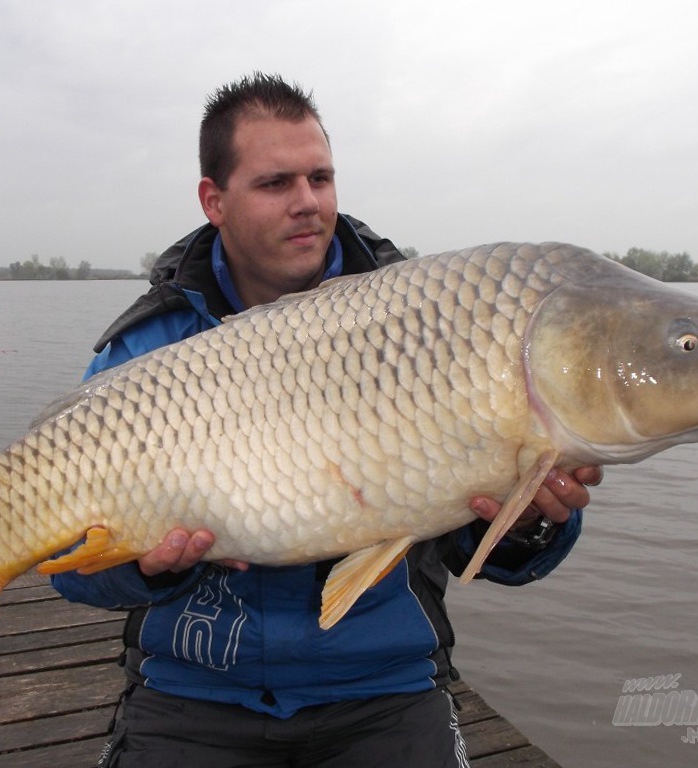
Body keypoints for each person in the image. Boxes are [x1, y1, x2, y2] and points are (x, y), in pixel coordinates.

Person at [52, 72, 602, 768]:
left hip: (383, 689)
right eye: (276, 183)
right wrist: (152, 571)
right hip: (193, 691)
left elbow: (491, 553)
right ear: (213, 200)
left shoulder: (432, 318)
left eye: (321, 177)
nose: (308, 203)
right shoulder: (145, 352)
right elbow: (69, 574)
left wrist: (529, 521)